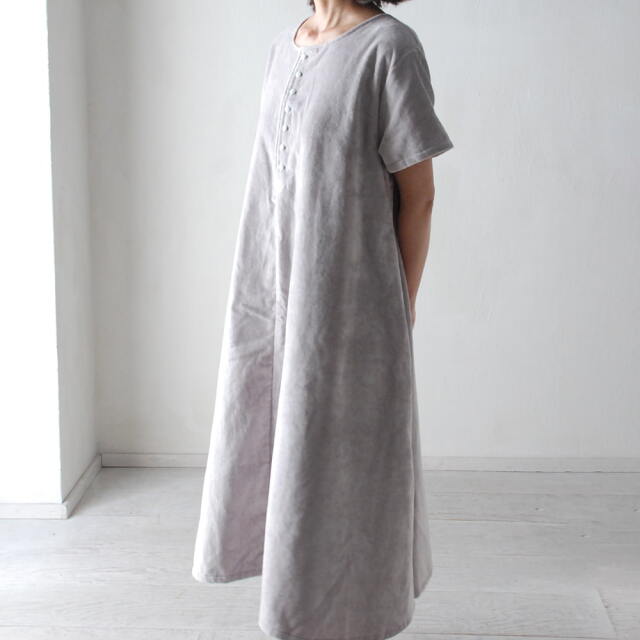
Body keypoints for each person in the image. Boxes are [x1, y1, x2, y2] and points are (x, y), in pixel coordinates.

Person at [192, 1, 453, 639]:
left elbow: (419, 196)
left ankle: (358, 612)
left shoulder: (389, 48)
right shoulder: (285, 46)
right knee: (278, 438)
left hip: (351, 299)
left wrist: (401, 303)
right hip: (269, 290)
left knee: (347, 458)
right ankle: (294, 597)